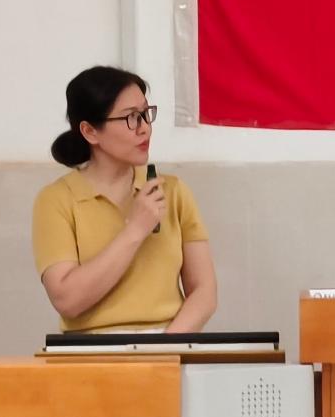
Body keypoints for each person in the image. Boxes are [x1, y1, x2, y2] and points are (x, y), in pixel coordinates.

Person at [32, 66, 217, 333]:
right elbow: (67, 300)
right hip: (90, 349)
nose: (145, 129)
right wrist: (136, 229)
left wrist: (165, 346)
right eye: (131, 118)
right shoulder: (56, 200)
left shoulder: (173, 191)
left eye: (145, 114)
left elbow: (204, 291)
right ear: (90, 131)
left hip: (169, 343)